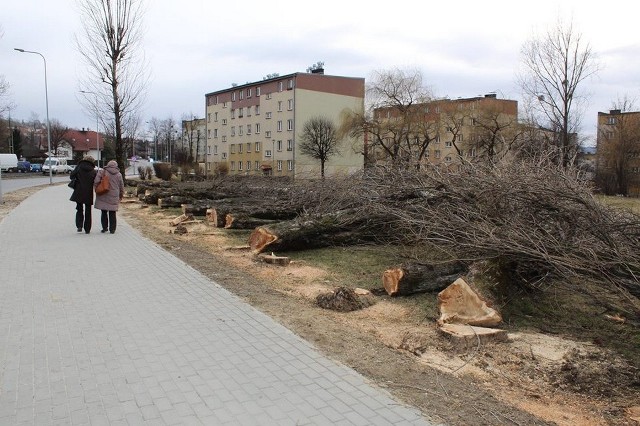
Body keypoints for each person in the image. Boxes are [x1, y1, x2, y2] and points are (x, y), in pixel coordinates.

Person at [94, 159, 125, 234]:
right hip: (114, 194)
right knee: (112, 212)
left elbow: (96, 181)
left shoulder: (102, 172)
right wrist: (121, 194)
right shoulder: (119, 174)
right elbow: (121, 186)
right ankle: (112, 229)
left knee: (103, 211)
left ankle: (104, 228)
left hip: (103, 193)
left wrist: (96, 189)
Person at [69, 155, 97, 234]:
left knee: (79, 209)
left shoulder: (78, 167)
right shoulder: (93, 171)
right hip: (88, 192)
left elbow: (71, 176)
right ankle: (87, 229)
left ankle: (79, 226)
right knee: (88, 210)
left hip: (78, 191)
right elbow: (96, 182)